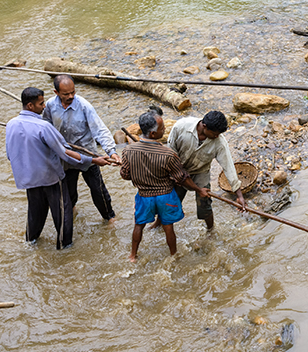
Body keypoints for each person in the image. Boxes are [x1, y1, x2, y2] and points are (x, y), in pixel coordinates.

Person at [6, 87, 110, 249]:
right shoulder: (43, 127)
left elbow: (10, 154)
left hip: (29, 179)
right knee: (63, 213)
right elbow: (65, 153)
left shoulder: (11, 124)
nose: (44, 107)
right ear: (31, 106)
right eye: (41, 104)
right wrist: (94, 160)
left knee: (35, 213)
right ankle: (64, 247)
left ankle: (30, 242)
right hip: (50, 178)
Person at [120, 106, 210, 261]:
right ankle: (173, 255)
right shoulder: (168, 154)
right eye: (162, 128)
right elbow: (181, 178)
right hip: (165, 197)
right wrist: (198, 189)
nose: (165, 129)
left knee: (139, 225)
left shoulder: (128, 151)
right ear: (153, 133)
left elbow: (125, 175)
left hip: (144, 196)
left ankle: (133, 255)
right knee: (168, 227)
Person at [42, 74, 120, 224]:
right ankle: (71, 211)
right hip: (66, 156)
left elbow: (100, 130)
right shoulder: (51, 105)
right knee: (68, 190)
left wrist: (112, 151)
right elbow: (46, 126)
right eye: (66, 94)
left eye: (73, 92)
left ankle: (109, 217)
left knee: (98, 190)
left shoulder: (84, 106)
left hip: (88, 155)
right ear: (56, 92)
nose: (71, 96)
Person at [163, 110, 246, 230]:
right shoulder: (181, 127)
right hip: (178, 168)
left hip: (200, 171)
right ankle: (159, 224)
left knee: (204, 203)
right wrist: (175, 173)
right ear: (204, 126)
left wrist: (239, 195)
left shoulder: (219, 142)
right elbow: (170, 152)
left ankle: (210, 230)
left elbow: (228, 166)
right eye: (215, 133)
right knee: (171, 202)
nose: (217, 136)